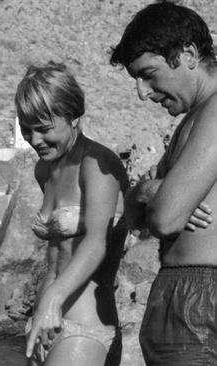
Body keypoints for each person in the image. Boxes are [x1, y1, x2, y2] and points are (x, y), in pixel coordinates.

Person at [110, 2, 217, 364]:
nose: (142, 92)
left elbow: (165, 219)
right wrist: (149, 190)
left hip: (201, 299)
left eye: (149, 74)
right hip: (183, 296)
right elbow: (136, 214)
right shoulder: (194, 119)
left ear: (188, 54)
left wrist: (158, 195)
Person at [15, 62, 128, 365]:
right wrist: (44, 307)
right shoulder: (44, 170)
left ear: (74, 116)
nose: (34, 140)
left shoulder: (98, 165)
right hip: (42, 324)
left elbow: (96, 242)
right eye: (26, 129)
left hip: (83, 328)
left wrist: (53, 298)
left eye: (44, 129)